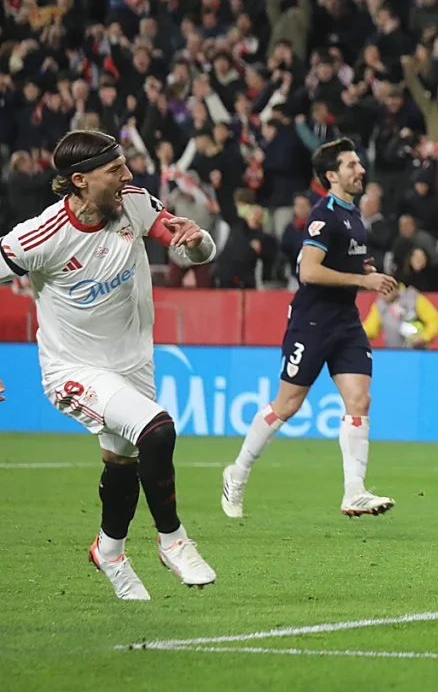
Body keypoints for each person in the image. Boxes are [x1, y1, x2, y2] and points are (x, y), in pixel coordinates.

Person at [0, 129, 218, 601]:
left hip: (133, 362)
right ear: (80, 180)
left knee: (123, 462)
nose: (127, 174)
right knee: (157, 430)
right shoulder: (40, 236)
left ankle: (110, 551)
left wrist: (198, 241)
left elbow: (192, 249)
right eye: (115, 169)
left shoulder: (133, 204)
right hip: (73, 370)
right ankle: (173, 541)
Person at [222, 138, 398, 518]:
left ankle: (354, 492)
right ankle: (238, 471)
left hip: (346, 321)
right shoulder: (324, 216)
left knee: (359, 400)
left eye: (359, 163)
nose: (360, 170)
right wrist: (363, 281)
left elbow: (341, 264)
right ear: (331, 176)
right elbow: (309, 271)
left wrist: (363, 271)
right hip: (312, 322)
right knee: (288, 404)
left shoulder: (353, 216)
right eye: (351, 165)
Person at [363, 282, 438, 349]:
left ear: (395, 287)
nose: (382, 295)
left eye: (385, 290)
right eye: (379, 291)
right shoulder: (380, 305)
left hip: (418, 352)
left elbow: (435, 320)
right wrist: (356, 332)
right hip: (394, 354)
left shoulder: (413, 298)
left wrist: (425, 337)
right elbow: (370, 329)